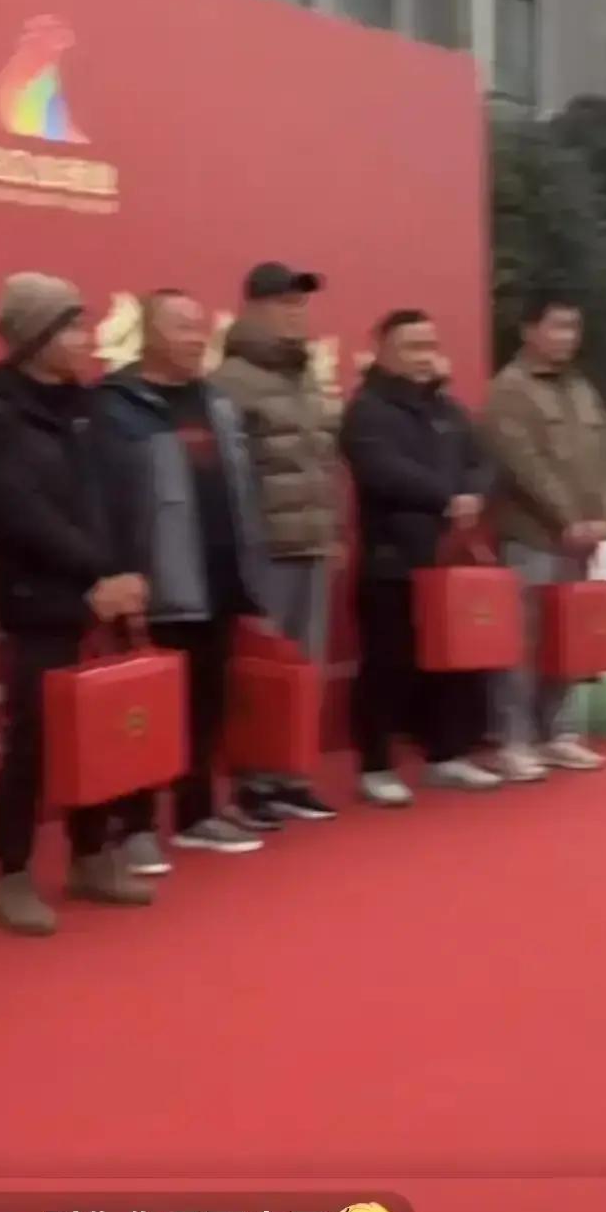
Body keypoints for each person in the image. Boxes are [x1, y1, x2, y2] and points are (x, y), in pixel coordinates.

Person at [0, 274, 155, 935]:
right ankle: (12, 874)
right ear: (36, 338)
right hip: (40, 598)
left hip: (105, 593)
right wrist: (95, 573)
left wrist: (129, 572)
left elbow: (121, 496)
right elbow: (20, 512)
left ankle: (91, 855)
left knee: (101, 732)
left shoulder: (90, 407)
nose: (85, 338)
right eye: (72, 327)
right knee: (34, 739)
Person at [93, 290, 271, 864]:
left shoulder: (216, 402)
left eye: (200, 327)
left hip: (216, 577)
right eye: (181, 328)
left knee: (206, 704)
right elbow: (102, 501)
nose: (196, 339)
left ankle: (196, 813)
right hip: (153, 583)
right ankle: (134, 826)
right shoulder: (116, 405)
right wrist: (117, 571)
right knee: (141, 710)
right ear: (148, 334)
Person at [339, 309, 500, 805]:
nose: (424, 355)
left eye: (430, 345)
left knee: (452, 662)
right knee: (388, 664)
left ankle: (447, 754)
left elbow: (483, 461)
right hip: (393, 558)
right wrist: (445, 497)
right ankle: (376, 765)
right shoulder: (367, 409)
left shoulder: (448, 409)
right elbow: (380, 469)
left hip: (448, 562)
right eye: (412, 346)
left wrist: (473, 494)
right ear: (383, 352)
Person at [216, 262, 340, 828]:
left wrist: (330, 532)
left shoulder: (305, 375)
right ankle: (254, 782)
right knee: (261, 673)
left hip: (309, 542)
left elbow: (322, 461)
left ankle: (291, 775)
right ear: (254, 308)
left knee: (302, 669)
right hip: (264, 549)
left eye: (301, 304)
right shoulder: (231, 380)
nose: (297, 314)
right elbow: (233, 476)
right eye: (285, 303)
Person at [484, 292, 606, 782]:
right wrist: (568, 519)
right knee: (522, 642)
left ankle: (559, 732)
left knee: (570, 636)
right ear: (528, 330)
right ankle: (514, 740)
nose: (567, 337)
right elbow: (523, 466)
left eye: (573, 327)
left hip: (581, 539)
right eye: (557, 326)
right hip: (532, 535)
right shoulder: (510, 389)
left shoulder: (581, 388)